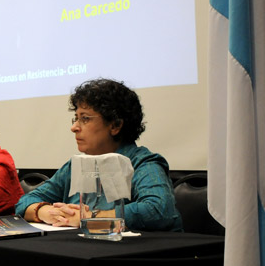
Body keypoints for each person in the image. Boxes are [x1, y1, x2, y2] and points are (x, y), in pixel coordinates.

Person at [15, 78, 183, 231]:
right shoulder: (76, 166)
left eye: (85, 119)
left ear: (115, 125)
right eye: (76, 118)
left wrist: (88, 217)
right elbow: (25, 202)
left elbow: (159, 210)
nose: (74, 127)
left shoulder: (143, 163)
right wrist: (48, 212)